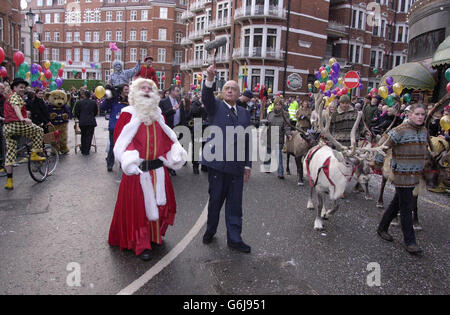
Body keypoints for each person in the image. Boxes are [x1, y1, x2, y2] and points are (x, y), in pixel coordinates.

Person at [108, 78, 187, 261]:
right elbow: (120, 142)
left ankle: (153, 237)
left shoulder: (159, 114)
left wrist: (174, 152)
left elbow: (166, 138)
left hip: (158, 170)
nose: (146, 90)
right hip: (138, 172)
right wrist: (130, 161)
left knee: (159, 206)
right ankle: (139, 243)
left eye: (149, 88)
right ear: (135, 92)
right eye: (142, 87)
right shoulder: (127, 114)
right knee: (139, 211)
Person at [201, 64, 252, 253]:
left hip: (237, 167)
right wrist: (210, 79)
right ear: (222, 92)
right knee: (215, 201)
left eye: (233, 89)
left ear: (239, 94)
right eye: (227, 88)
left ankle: (235, 238)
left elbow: (247, 141)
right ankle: (210, 230)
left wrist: (248, 166)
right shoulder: (215, 107)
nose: (230, 91)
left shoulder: (245, 113)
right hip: (218, 166)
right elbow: (206, 96)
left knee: (235, 205)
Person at [375, 103, 428, 255]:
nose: (419, 117)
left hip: (415, 174)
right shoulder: (399, 131)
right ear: (409, 115)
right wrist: (378, 163)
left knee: (397, 203)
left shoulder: (424, 131)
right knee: (407, 207)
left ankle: (382, 227)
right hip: (401, 175)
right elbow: (383, 147)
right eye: (416, 114)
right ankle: (410, 241)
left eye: (422, 114)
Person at [3, 78, 45, 190]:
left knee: (10, 154)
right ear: (14, 88)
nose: (23, 89)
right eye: (20, 87)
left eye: (23, 87)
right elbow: (16, 107)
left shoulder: (10, 97)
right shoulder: (14, 96)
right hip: (17, 124)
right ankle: (35, 153)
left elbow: (13, 108)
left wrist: (25, 113)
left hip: (7, 127)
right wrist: (23, 118)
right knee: (39, 131)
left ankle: (9, 181)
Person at [101, 84, 129, 171]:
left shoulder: (130, 100)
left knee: (125, 147)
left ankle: (123, 163)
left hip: (126, 128)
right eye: (126, 89)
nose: (128, 91)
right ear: (121, 90)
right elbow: (102, 107)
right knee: (113, 146)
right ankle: (110, 164)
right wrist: (108, 98)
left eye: (128, 89)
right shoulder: (114, 99)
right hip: (114, 127)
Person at [265, 97, 292, 179]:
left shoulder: (285, 115)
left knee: (278, 155)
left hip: (278, 136)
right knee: (268, 153)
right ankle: (267, 167)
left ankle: (280, 172)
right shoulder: (270, 114)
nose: (278, 106)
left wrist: (288, 134)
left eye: (279, 105)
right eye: (276, 105)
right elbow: (267, 123)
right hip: (270, 136)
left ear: (282, 105)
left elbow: (287, 126)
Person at [185, 95, 208, 174]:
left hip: (206, 127)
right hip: (197, 125)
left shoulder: (208, 104)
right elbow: (194, 112)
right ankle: (195, 166)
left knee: (205, 147)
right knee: (196, 147)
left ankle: (204, 165)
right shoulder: (195, 103)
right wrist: (201, 107)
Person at [74, 90, 98, 155]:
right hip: (91, 121)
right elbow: (96, 111)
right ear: (90, 95)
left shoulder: (79, 102)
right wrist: (92, 116)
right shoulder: (93, 102)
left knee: (83, 135)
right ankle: (87, 150)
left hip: (82, 121)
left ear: (83, 95)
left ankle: (83, 149)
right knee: (89, 136)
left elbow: (76, 112)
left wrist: (80, 118)